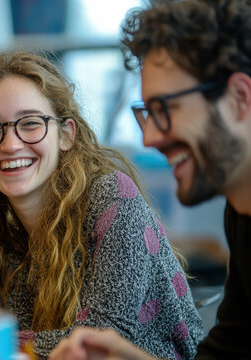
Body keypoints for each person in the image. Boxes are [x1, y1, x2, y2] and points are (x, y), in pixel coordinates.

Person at [0, 50, 204, 360]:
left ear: (66, 134)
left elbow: (99, 341)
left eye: (30, 123)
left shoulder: (112, 197)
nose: (11, 144)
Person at [50, 0, 251, 359]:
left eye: (165, 109)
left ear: (239, 98)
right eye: (146, 114)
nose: (149, 138)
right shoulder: (242, 212)